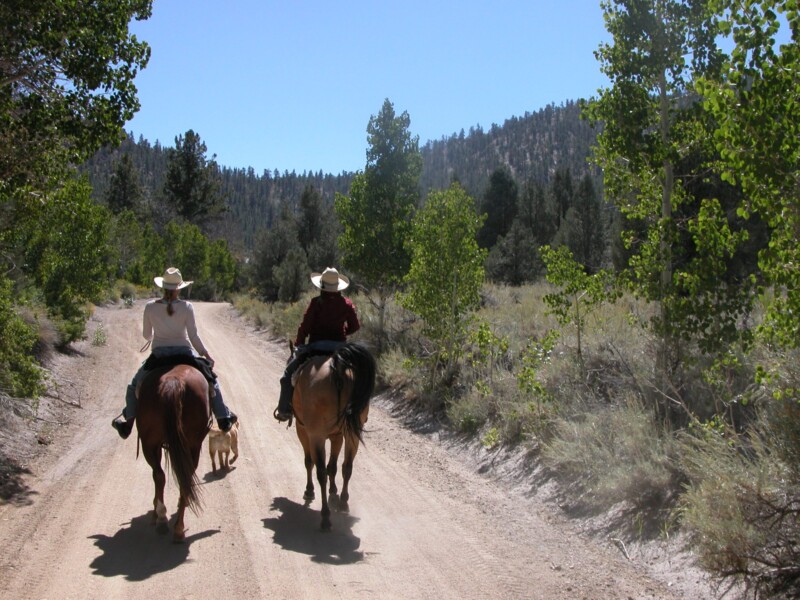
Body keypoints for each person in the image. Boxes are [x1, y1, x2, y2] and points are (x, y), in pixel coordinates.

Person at [112, 267, 238, 439]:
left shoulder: (150, 307)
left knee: (134, 386)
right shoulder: (187, 307)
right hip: (184, 353)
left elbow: (147, 335)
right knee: (211, 380)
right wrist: (205, 354)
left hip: (159, 355)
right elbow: (193, 336)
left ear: (163, 287)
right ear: (179, 288)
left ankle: (128, 425)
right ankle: (223, 417)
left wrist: (157, 332)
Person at [274, 267, 360, 422]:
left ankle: (284, 410)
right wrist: (342, 333)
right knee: (358, 375)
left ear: (322, 286)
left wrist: (299, 344)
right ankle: (358, 412)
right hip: (339, 348)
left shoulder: (315, 303)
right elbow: (355, 326)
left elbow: (304, 327)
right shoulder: (346, 304)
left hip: (316, 347)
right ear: (338, 287)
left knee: (287, 376)